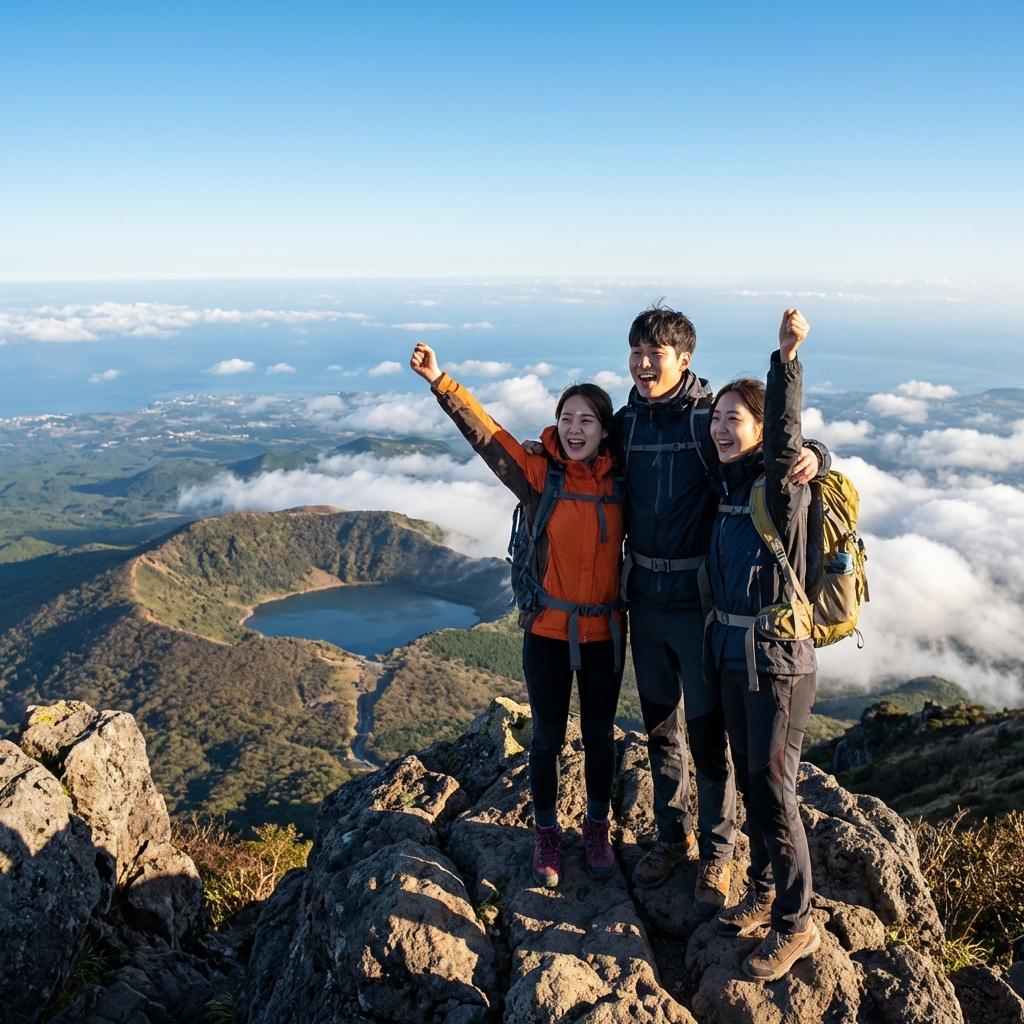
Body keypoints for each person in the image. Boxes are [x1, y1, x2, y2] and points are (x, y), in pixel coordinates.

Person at [611, 305, 826, 916]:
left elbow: (769, 451)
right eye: (636, 352)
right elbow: (575, 447)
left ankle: (719, 850)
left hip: (702, 607)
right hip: (644, 604)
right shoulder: (625, 424)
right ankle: (672, 836)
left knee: (709, 736)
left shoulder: (708, 419)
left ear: (685, 361)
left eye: (656, 353)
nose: (644, 363)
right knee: (660, 730)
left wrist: (818, 452)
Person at [410, 341, 625, 889]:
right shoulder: (539, 475)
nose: (575, 429)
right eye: (566, 418)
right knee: (547, 738)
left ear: (605, 429)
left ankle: (597, 828)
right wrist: (442, 382)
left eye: (587, 420)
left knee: (600, 737)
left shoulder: (625, 483)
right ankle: (547, 833)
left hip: (604, 633)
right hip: (548, 632)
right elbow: (488, 436)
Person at [706, 309, 820, 981]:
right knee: (752, 784)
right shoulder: (726, 486)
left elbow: (785, 439)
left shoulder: (777, 489)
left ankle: (797, 924)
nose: (722, 427)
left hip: (777, 663)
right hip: (731, 656)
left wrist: (785, 363)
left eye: (734, 419)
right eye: (717, 416)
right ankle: (766, 886)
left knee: (776, 791)